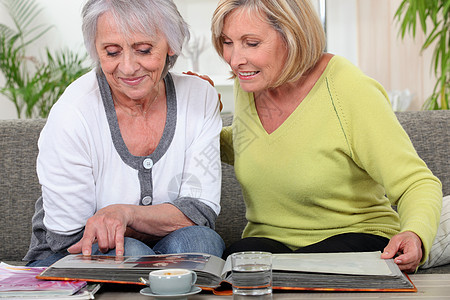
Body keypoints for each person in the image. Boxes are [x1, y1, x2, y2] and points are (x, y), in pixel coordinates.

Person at [211, 0, 442, 273]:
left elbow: (415, 182)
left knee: (304, 269)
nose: (235, 59)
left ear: (292, 35)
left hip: (353, 238)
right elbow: (250, 143)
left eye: (251, 43)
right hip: (270, 245)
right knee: (232, 262)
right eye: (228, 42)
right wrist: (185, 121)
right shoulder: (252, 81)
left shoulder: (347, 88)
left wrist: (415, 233)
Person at [24, 0, 224, 267]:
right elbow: (68, 238)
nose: (128, 68)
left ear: (171, 45)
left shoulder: (199, 97)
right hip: (64, 259)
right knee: (129, 250)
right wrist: (154, 223)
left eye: (143, 50)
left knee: (200, 242)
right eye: (112, 52)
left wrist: (124, 215)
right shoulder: (73, 112)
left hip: (169, 246)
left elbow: (200, 213)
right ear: (96, 50)